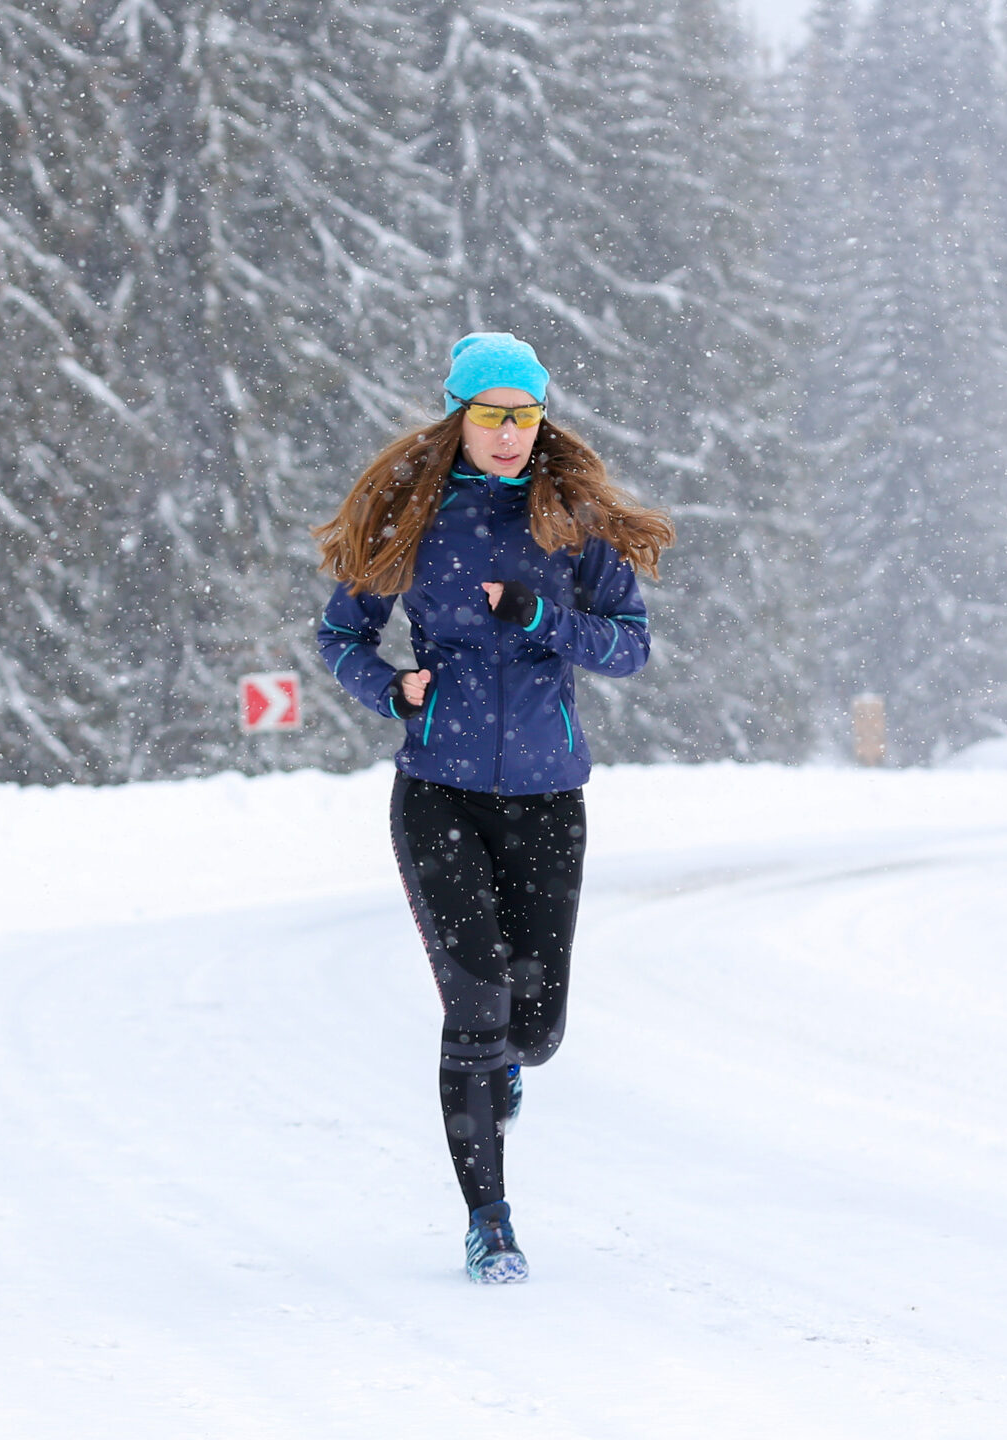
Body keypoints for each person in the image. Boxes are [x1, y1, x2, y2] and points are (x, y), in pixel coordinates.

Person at [313, 333, 675, 1284]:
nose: (510, 434)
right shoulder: (412, 515)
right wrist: (390, 688)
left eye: (525, 415)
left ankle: (506, 1062)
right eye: (492, 415)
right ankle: (490, 1222)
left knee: (536, 1030)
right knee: (475, 1008)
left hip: (550, 797)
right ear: (459, 417)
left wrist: (541, 617)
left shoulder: (573, 521)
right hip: (440, 792)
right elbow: (342, 632)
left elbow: (630, 646)